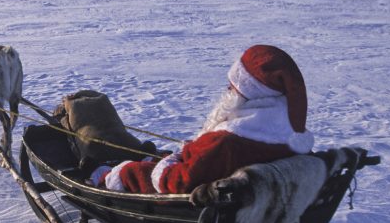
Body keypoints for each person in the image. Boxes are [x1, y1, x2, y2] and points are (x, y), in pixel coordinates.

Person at [91, 44, 314, 195]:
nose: (229, 89)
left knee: (128, 170)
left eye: (234, 85)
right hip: (237, 189)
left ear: (251, 91)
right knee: (156, 156)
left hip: (196, 204)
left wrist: (167, 162)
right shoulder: (287, 136)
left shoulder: (228, 142)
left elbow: (178, 183)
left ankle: (103, 178)